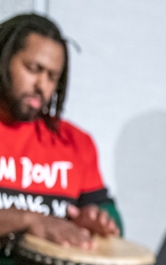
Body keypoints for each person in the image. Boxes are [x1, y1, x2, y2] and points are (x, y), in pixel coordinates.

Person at [0, 14, 121, 258]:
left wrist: (97, 219)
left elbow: (111, 215)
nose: (41, 85)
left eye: (52, 77)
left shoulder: (75, 142)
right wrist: (27, 219)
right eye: (33, 69)